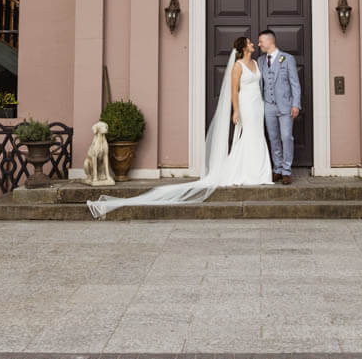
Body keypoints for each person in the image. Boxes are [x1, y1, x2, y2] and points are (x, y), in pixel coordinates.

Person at [87, 36, 272, 218]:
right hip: (246, 105)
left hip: (258, 105)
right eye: (249, 42)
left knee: (258, 135)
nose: (252, 44)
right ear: (243, 47)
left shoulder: (256, 63)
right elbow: (234, 90)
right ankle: (246, 172)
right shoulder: (237, 66)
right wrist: (236, 111)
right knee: (249, 135)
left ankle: (259, 173)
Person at [256, 29, 302, 185]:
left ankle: (287, 170)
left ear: (270, 41)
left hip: (286, 106)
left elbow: (295, 84)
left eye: (261, 41)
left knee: (286, 137)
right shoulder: (260, 61)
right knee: (273, 138)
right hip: (268, 106)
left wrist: (296, 104)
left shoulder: (287, 59)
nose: (259, 44)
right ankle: (277, 169)